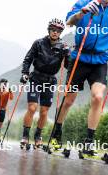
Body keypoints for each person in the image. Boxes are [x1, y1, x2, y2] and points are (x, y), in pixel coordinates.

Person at [51, 0, 108, 155]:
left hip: (100, 60)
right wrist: (82, 12)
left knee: (98, 97)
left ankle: (89, 142)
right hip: (79, 57)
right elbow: (69, 22)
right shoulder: (83, 3)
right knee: (69, 100)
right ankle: (56, 134)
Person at [20, 18, 70, 148]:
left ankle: (38, 136)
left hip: (50, 81)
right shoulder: (39, 43)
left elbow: (68, 66)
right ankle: (25, 135)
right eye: (53, 29)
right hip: (36, 78)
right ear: (49, 30)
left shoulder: (63, 46)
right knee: (32, 108)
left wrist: (67, 54)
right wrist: (25, 73)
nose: (55, 32)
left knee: (44, 111)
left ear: (61, 32)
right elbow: (28, 59)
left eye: (58, 30)